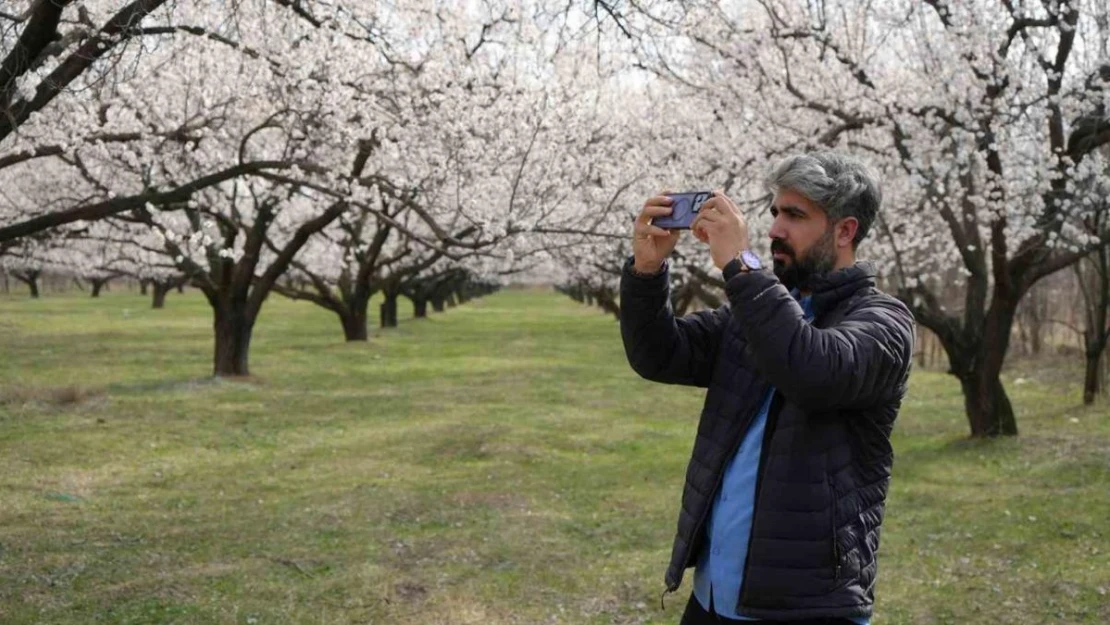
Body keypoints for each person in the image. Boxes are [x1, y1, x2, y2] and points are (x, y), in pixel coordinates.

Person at [619, 151, 915, 624]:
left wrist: (740, 264)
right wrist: (646, 273)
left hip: (808, 606)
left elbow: (812, 369)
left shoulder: (884, 322)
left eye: (795, 215)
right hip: (714, 598)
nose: (775, 229)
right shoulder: (755, 313)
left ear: (845, 231)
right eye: (775, 212)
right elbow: (660, 354)